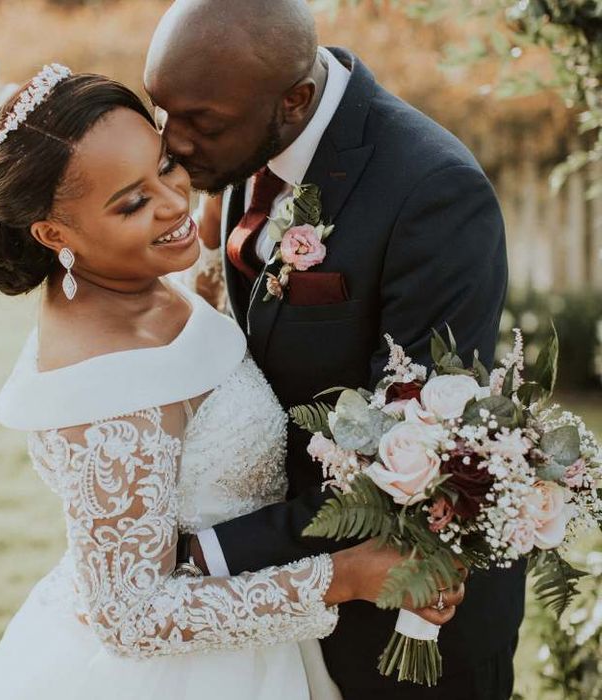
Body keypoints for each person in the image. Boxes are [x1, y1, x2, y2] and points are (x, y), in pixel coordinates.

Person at [0, 69, 463, 700]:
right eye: (133, 203)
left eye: (165, 165)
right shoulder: (108, 382)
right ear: (55, 235)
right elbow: (131, 618)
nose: (174, 203)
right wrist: (346, 576)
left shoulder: (129, 282)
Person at [144, 1, 523, 698]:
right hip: (280, 616)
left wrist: (211, 552)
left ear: (295, 101)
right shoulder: (244, 137)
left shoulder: (433, 192)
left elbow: (409, 452)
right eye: (160, 110)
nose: (171, 142)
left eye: (201, 122)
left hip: (403, 616)